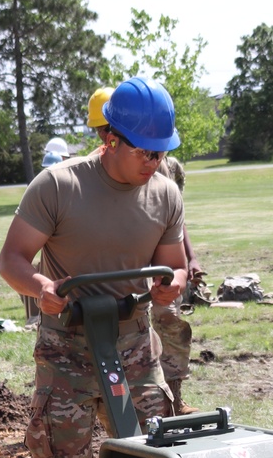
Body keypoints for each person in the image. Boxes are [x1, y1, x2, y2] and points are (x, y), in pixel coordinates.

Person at [0, 77, 187, 458]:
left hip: (133, 344)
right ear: (112, 141)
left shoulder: (165, 193)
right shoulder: (58, 187)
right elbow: (12, 259)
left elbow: (173, 265)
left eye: (162, 151)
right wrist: (40, 288)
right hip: (68, 349)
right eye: (145, 151)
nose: (155, 161)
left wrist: (173, 282)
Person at [86, 84, 205, 412]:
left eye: (106, 129)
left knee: (170, 325)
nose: (103, 136)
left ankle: (174, 400)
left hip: (159, 267)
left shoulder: (166, 167)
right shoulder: (95, 170)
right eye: (100, 131)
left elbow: (174, 223)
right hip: (124, 273)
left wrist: (189, 260)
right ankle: (106, 404)